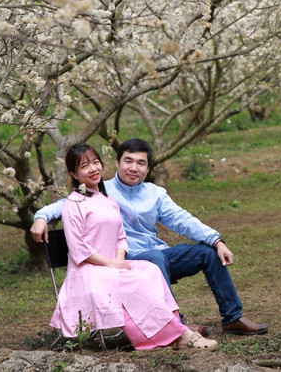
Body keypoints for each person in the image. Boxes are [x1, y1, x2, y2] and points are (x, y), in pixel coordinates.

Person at [32, 138, 268, 336]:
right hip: (127, 261)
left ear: (148, 167)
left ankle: (232, 317)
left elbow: (182, 220)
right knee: (156, 258)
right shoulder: (100, 190)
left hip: (158, 256)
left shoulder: (155, 194)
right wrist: (41, 217)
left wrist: (217, 240)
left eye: (141, 163)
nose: (134, 168)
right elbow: (63, 205)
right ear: (117, 162)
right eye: (128, 161)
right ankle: (178, 325)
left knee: (207, 253)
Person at [50, 143, 216, 350]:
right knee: (135, 281)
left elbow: (121, 236)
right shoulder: (73, 205)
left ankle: (175, 330)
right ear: (74, 174)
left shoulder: (107, 199)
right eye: (84, 166)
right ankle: (174, 336)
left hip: (113, 264)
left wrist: (119, 259)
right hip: (89, 270)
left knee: (151, 270)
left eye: (95, 162)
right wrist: (111, 263)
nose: (93, 169)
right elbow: (78, 250)